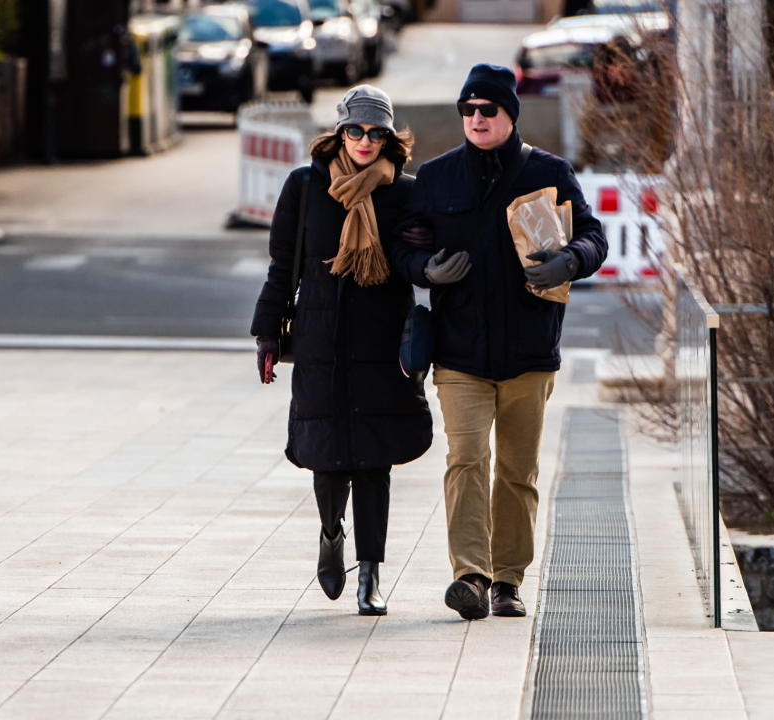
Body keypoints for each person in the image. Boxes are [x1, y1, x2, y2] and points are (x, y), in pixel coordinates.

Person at [391, 64, 607, 620]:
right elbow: (404, 248)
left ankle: (508, 579)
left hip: (530, 352)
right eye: (468, 110)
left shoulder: (550, 172)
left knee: (516, 470)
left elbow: (594, 237)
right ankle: (470, 575)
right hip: (460, 353)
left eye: (488, 109)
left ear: (510, 114)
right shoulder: (436, 179)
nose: (477, 118)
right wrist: (426, 271)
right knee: (466, 458)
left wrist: (570, 259)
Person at [251, 86, 432, 616]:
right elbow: (283, 265)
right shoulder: (305, 187)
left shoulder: (405, 193)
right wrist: (267, 333)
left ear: (389, 138)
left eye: (377, 133)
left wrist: (424, 252)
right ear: (340, 132)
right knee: (327, 458)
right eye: (356, 131)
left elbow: (418, 263)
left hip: (382, 342)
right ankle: (332, 534)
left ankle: (370, 573)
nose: (365, 142)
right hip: (321, 341)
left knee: (375, 461)